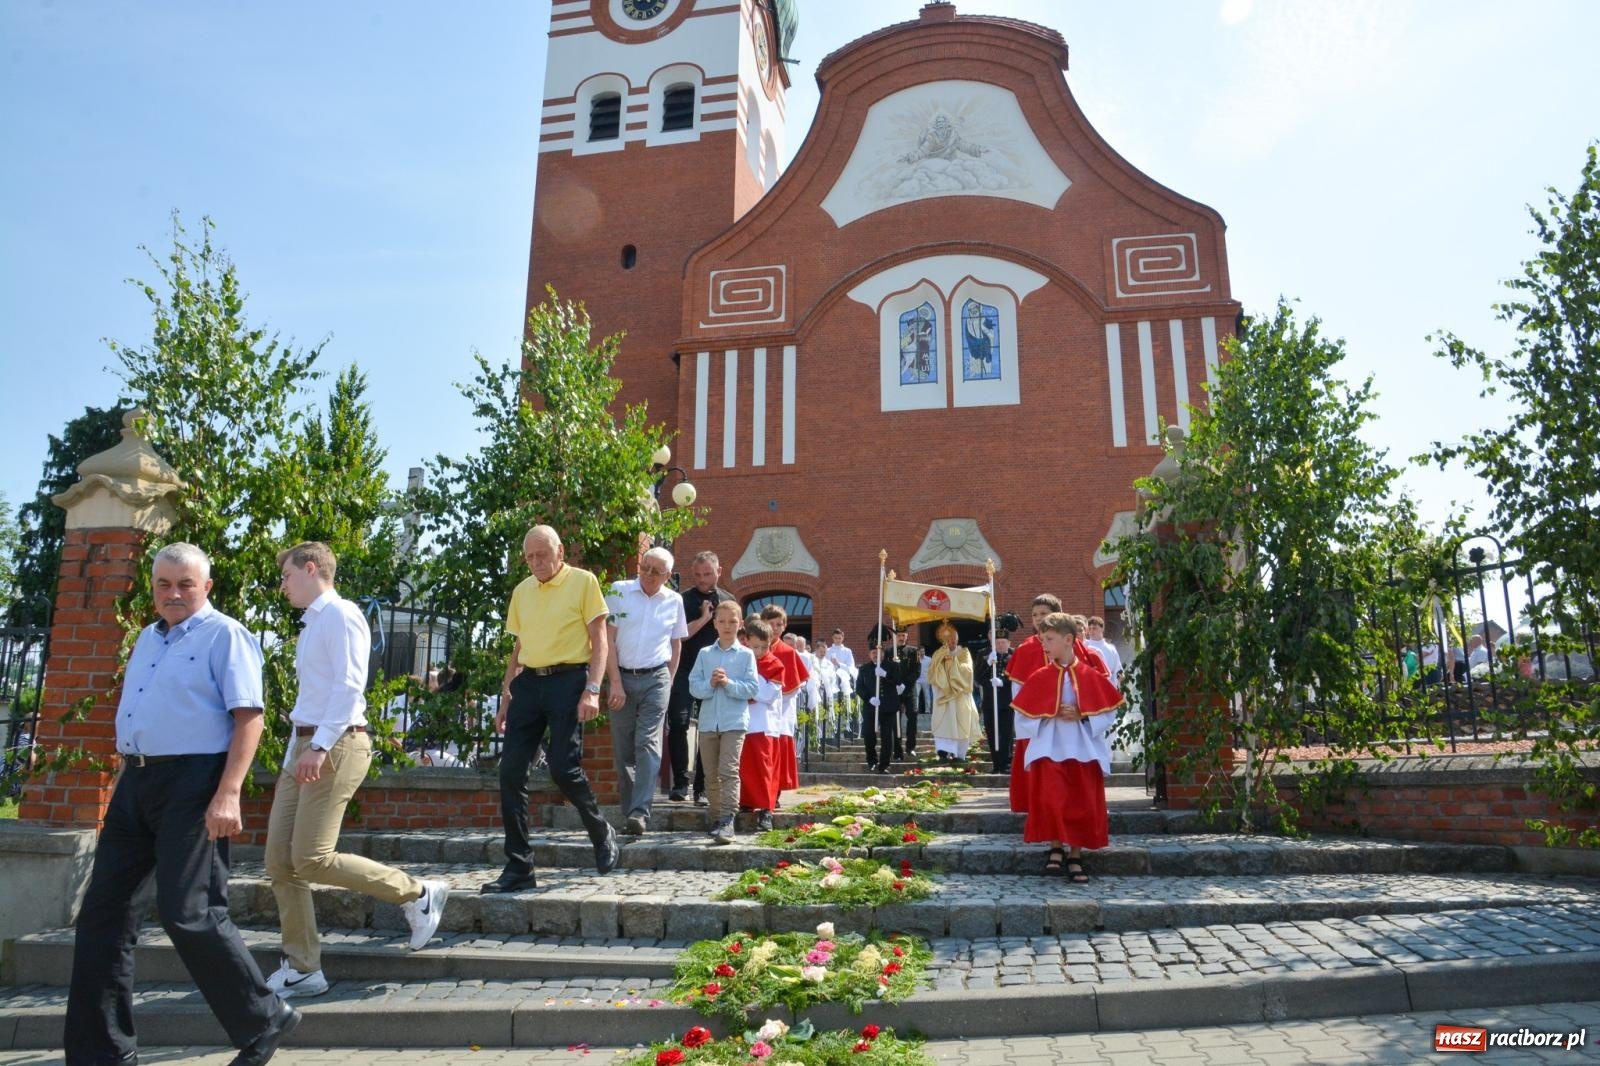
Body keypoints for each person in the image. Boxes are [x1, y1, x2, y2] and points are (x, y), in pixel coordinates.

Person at [64, 543, 299, 1066]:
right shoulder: (148, 638)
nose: (173, 594)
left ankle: (265, 1017)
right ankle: (102, 1053)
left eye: (185, 584)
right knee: (102, 916)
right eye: (164, 584)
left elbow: (249, 717)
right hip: (136, 782)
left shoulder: (225, 635)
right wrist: (128, 776)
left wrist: (229, 792)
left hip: (195, 782)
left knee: (189, 912)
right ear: (152, 588)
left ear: (206, 587)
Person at [262, 543, 449, 1001]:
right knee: (280, 861)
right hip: (303, 746)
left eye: (287, 575)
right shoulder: (312, 624)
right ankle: (304, 968)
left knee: (312, 857)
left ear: (311, 568)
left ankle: (417, 893)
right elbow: (312, 697)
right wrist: (296, 753)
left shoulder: (341, 615)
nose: (282, 585)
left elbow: (349, 687)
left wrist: (319, 746)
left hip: (336, 742)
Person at [483, 526, 620, 894]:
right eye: (529, 557)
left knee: (562, 767)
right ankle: (519, 867)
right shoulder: (522, 591)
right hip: (529, 684)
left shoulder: (584, 582)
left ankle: (601, 831)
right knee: (510, 772)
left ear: (560, 551)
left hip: (569, 681)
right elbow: (519, 647)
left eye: (542, 555)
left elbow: (600, 639)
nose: (536, 562)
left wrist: (593, 689)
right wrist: (506, 696)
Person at [1010, 613, 1123, 883]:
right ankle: (1055, 846)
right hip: (1050, 747)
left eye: (1049, 639)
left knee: (1080, 801)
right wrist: (1046, 712)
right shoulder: (1040, 677)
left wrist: (1083, 714)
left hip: (1082, 747)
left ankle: (1075, 854)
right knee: (1052, 798)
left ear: (1069, 639)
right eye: (1042, 640)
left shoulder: (1089, 675)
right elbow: (1022, 716)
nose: (1044, 645)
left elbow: (1109, 712)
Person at [604, 546, 688, 836]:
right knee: (624, 748)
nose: (648, 575)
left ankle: (640, 812)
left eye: (656, 571)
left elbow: (676, 643)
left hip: (656, 677)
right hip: (622, 676)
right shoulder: (619, 591)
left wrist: (669, 680)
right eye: (645, 567)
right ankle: (629, 810)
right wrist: (615, 682)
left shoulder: (674, 601)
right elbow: (607, 639)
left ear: (668, 575)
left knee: (648, 744)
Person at [664, 551, 735, 805]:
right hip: (684, 670)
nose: (702, 579)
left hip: (714, 673)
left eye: (707, 574)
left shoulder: (728, 601)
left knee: (709, 728)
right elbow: (678, 637)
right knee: (678, 723)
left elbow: (733, 636)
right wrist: (704, 618)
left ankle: (702, 788)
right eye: (697, 575)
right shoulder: (682, 600)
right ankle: (680, 783)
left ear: (719, 572)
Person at [688, 601, 760, 844]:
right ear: (715, 624)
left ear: (740, 624)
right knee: (710, 774)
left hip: (734, 722)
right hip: (708, 722)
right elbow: (693, 686)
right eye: (722, 621)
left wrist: (728, 683)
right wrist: (710, 684)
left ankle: (729, 819)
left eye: (732, 621)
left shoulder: (746, 654)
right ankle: (717, 817)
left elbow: (752, 688)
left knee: (728, 770)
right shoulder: (705, 654)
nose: (727, 626)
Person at [1005, 594, 1060, 813]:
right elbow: (1018, 692)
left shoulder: (1069, 644)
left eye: (1043, 613)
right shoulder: (1025, 649)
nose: (1038, 618)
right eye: (1035, 614)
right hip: (1037, 722)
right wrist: (1034, 716)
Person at [737, 617, 784, 837]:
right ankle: (746, 801)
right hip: (742, 721)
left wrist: (748, 685)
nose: (759, 652)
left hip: (765, 724)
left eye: (764, 647)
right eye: (755, 647)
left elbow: (767, 695)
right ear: (746, 641)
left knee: (764, 768)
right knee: (744, 766)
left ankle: (766, 809)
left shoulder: (775, 665)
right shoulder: (740, 660)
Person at [759, 605, 807, 798]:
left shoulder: (788, 652)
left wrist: (771, 697)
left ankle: (775, 793)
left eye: (779, 624)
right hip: (756, 709)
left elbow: (794, 685)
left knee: (778, 751)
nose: (775, 628)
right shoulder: (752, 649)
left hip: (781, 710)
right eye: (771, 623)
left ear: (785, 626)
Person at [928, 622, 984, 760]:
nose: (951, 643)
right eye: (948, 640)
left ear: (957, 640)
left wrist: (952, 662)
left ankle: (959, 754)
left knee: (961, 723)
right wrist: (943, 661)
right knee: (943, 724)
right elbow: (933, 672)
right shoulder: (938, 654)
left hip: (960, 696)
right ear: (942, 640)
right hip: (944, 696)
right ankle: (943, 753)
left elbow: (968, 671)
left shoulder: (963, 653)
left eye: (953, 640)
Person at [855, 626, 902, 773]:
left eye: (878, 652)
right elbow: (859, 688)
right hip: (871, 707)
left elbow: (898, 681)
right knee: (868, 735)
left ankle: (884, 765)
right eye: (873, 652)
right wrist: (869, 698)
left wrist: (885, 675)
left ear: (883, 653)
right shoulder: (864, 669)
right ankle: (872, 761)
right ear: (869, 654)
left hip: (888, 707)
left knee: (887, 737)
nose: (876, 655)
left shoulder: (892, 666)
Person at [978, 631, 1015, 774]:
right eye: (998, 642)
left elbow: (1018, 676)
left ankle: (1006, 764)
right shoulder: (985, 655)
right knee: (992, 734)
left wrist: (1003, 682)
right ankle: (996, 764)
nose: (1000, 645)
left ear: (1009, 643)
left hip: (1007, 702)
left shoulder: (1014, 655)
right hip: (990, 702)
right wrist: (987, 664)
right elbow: (978, 677)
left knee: (1006, 734)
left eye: (1003, 642)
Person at [1083, 616, 1124, 685]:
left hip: (1108, 686)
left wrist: (1115, 683)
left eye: (1094, 628)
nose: (1091, 631)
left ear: (1102, 629)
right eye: (1089, 628)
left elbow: (1118, 671)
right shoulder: (1084, 646)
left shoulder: (1111, 649)